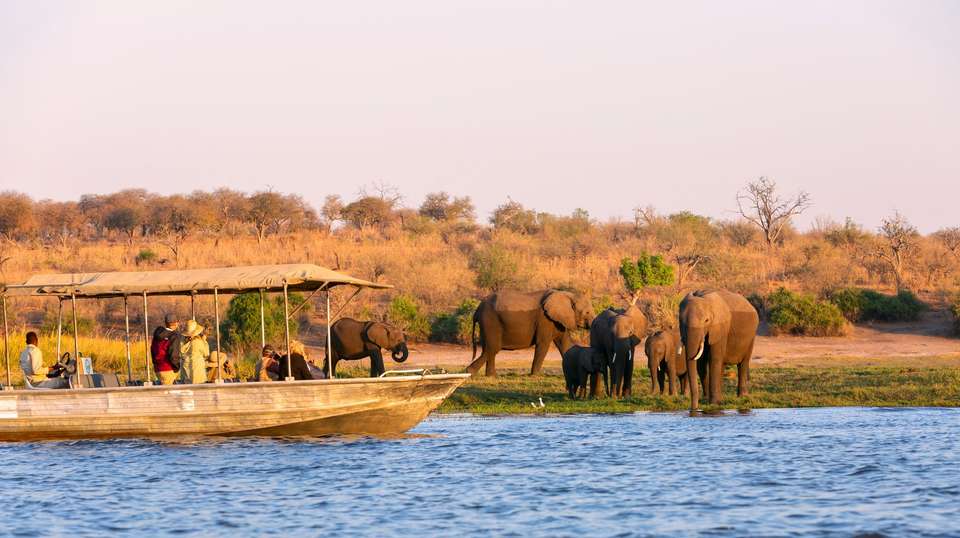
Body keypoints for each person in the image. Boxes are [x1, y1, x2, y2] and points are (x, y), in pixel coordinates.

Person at [151, 313, 182, 385]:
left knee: (164, 390)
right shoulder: (173, 336)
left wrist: (155, 364)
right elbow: (174, 355)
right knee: (168, 392)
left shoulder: (157, 335)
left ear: (166, 323)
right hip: (168, 368)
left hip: (158, 368)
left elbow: (152, 350)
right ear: (176, 323)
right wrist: (177, 367)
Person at [178, 319, 209, 384]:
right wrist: (204, 341)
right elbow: (206, 353)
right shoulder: (197, 342)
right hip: (197, 370)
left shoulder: (182, 341)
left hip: (185, 371)